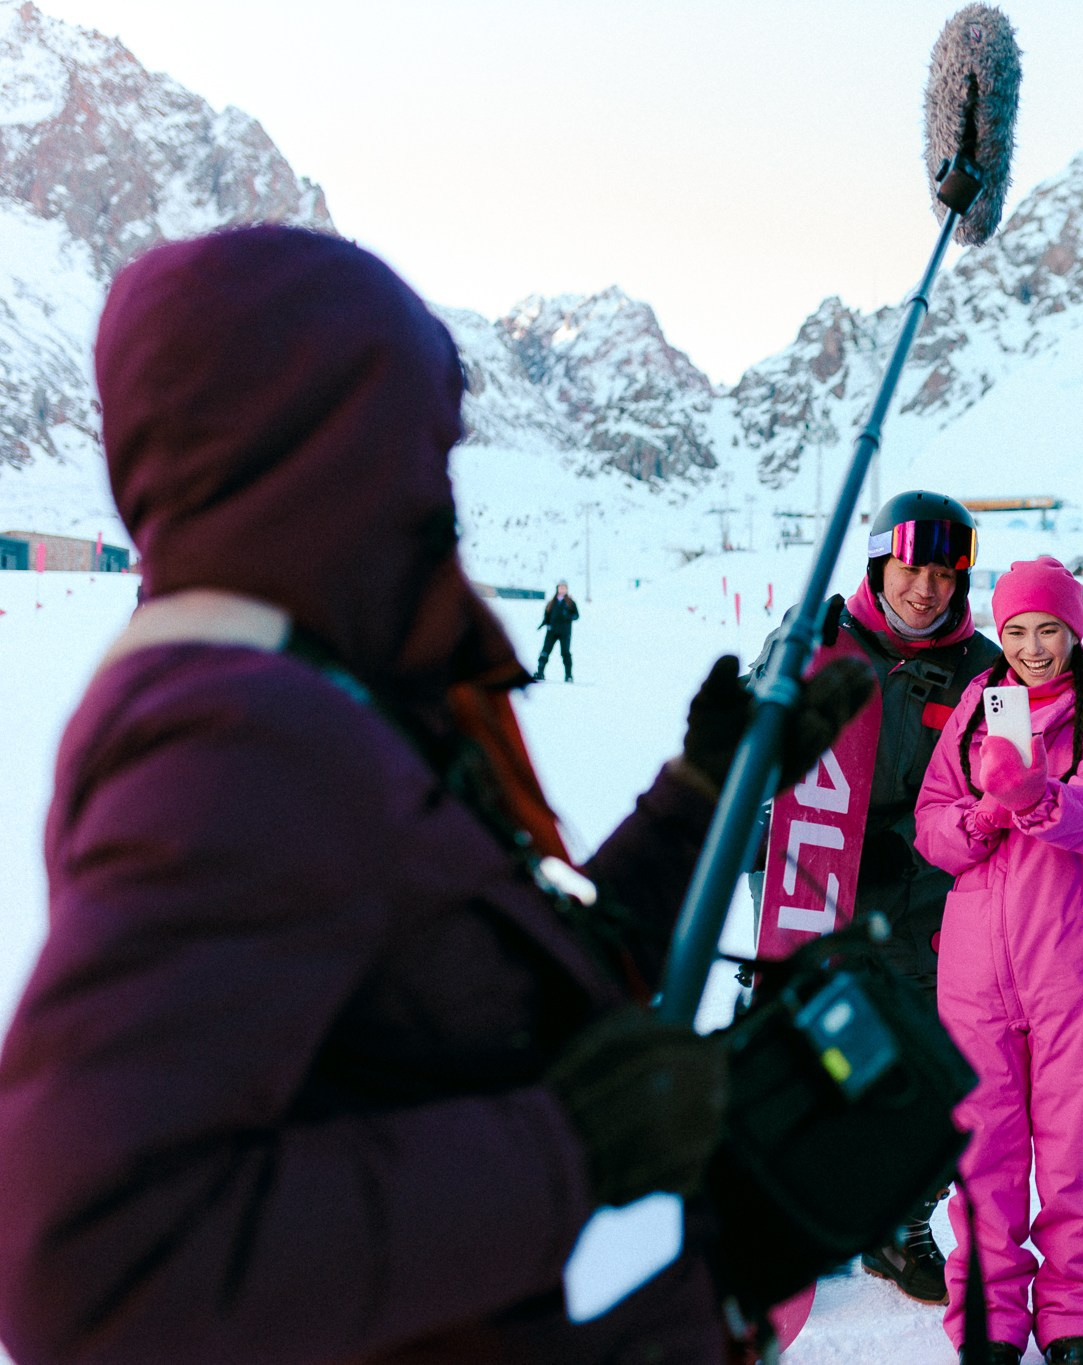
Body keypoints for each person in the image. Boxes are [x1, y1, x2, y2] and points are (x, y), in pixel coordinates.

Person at [0, 225, 872, 1365]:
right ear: (318, 445)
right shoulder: (233, 737)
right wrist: (570, 1152)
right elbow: (92, 1262)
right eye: (416, 443)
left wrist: (702, 796)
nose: (437, 488)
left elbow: (495, 1000)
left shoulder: (330, 697)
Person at [745, 488, 999, 1304]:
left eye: (944, 572)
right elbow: (756, 757)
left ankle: (897, 1223)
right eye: (911, 566)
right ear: (880, 561)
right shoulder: (819, 641)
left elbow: (1012, 788)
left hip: (929, 901)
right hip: (816, 889)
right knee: (819, 1056)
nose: (926, 587)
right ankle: (786, 1212)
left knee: (924, 1071)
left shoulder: (985, 669)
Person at [916, 555, 1083, 1365]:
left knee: (1078, 1153)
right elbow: (932, 825)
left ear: (1076, 626)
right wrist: (982, 813)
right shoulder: (982, 700)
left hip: (1073, 964)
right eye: (1015, 630)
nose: (1033, 647)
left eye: (1049, 628)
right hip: (976, 971)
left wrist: (1035, 797)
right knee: (983, 1156)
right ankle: (990, 1315)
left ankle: (1078, 1313)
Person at [537, 579, 579, 681]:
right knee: (545, 651)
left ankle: (568, 675)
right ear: (557, 588)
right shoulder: (552, 602)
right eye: (560, 587)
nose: (562, 589)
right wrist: (544, 623)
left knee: (565, 653)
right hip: (552, 631)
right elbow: (547, 615)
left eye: (564, 588)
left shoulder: (570, 603)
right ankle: (540, 672)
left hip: (565, 632)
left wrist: (568, 616)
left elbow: (576, 615)